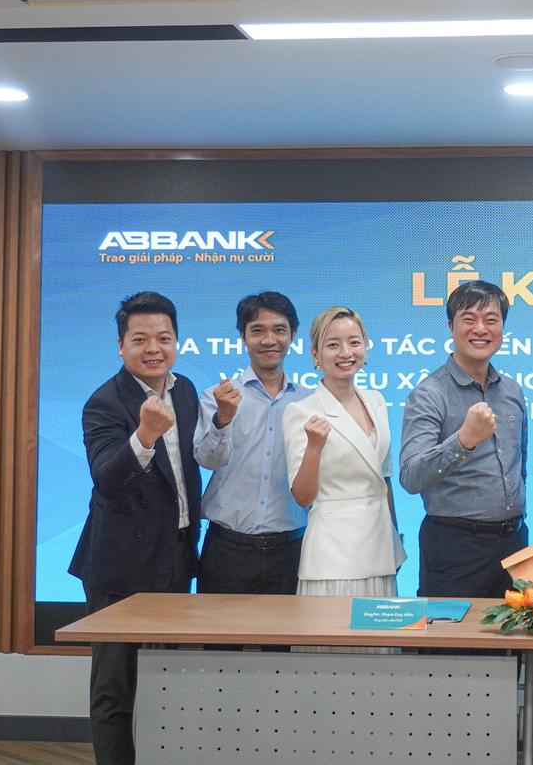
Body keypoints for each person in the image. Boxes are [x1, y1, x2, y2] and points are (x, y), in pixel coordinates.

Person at [68, 291, 203, 765]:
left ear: (176, 342)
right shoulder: (104, 402)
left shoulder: (184, 390)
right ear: (121, 345)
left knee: (164, 679)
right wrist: (144, 435)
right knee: (115, 687)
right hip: (120, 564)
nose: (153, 349)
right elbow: (106, 479)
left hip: (176, 555)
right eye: (140, 339)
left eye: (163, 338)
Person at [399, 280, 528, 598]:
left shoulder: (512, 390)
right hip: (455, 547)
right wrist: (464, 440)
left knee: (513, 630)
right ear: (450, 326)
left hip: (514, 545)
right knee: (450, 632)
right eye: (468, 319)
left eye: (491, 320)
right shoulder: (429, 394)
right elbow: (411, 477)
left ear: (502, 328)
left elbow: (519, 467)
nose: (480, 329)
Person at [283, 306, 404, 595]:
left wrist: (394, 540)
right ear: (315, 355)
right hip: (334, 556)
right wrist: (314, 447)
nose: (345, 353)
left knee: (381, 623)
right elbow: (302, 496)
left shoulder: (376, 401)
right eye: (333, 345)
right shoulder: (301, 411)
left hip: (381, 549)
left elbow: (383, 479)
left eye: (354, 342)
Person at [193, 292, 307, 595]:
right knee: (218, 628)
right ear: (243, 337)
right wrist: (223, 418)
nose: (269, 340)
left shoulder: (309, 402)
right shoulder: (217, 397)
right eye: (257, 330)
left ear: (293, 335)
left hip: (292, 551)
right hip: (227, 550)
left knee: (287, 629)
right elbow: (208, 460)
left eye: (279, 330)